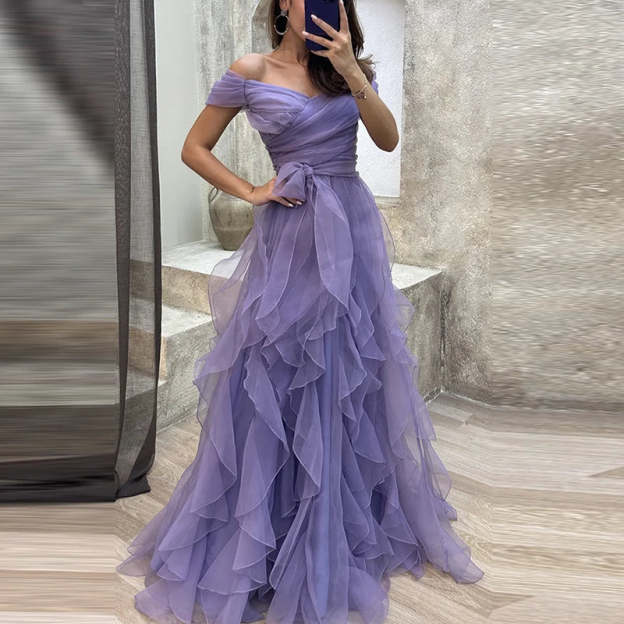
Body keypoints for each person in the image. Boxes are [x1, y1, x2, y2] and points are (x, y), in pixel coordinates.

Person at [116, 1, 484, 623]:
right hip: (291, 236)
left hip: (352, 229)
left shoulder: (347, 70)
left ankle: (338, 519)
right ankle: (270, 526)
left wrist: (352, 70)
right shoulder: (250, 69)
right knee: (278, 366)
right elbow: (194, 147)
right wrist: (251, 190)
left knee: (346, 367)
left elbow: (387, 138)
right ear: (282, 3)